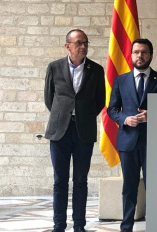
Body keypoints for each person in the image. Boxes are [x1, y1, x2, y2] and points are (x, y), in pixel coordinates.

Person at [44, 29, 106, 232]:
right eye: (79, 43)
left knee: (80, 181)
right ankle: (59, 225)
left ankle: (79, 225)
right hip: (59, 131)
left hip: (83, 132)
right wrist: (63, 115)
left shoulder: (96, 70)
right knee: (59, 181)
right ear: (67, 46)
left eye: (86, 43)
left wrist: (83, 116)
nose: (83, 46)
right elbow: (49, 98)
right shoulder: (54, 67)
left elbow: (100, 101)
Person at [107, 38, 157, 232]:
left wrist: (154, 114)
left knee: (155, 186)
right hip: (128, 141)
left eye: (144, 52)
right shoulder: (120, 80)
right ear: (131, 55)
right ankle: (126, 226)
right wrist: (126, 119)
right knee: (129, 186)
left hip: (154, 141)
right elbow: (112, 109)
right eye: (136, 52)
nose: (140, 56)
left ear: (151, 55)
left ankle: (156, 224)